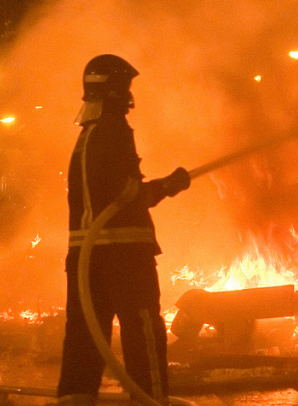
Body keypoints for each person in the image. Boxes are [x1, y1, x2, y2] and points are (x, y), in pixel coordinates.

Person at [57, 54, 190, 406]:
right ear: (116, 91)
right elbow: (122, 193)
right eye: (126, 87)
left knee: (84, 336)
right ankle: (151, 401)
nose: (130, 95)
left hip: (86, 258)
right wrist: (167, 186)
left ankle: (74, 399)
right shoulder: (114, 128)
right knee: (142, 330)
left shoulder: (87, 133)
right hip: (124, 253)